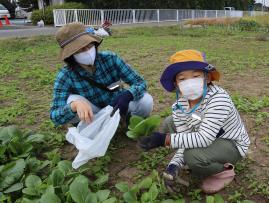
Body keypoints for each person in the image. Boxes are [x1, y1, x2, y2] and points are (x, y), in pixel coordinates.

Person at [138, 50, 250, 194]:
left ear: (207, 78)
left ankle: (223, 172)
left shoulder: (219, 98)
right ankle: (194, 159)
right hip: (207, 137)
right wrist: (173, 166)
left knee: (192, 156)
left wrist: (164, 140)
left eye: (196, 76)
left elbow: (204, 138)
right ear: (176, 84)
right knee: (170, 123)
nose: (189, 83)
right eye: (182, 79)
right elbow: (185, 139)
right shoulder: (179, 106)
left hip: (231, 142)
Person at [50, 22, 153, 126]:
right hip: (94, 114)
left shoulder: (110, 59)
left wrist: (128, 95)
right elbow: (54, 116)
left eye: (89, 45)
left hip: (117, 105)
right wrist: (74, 106)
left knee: (146, 101)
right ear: (70, 55)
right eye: (79, 50)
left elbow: (140, 82)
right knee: (72, 100)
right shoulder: (65, 76)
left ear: (94, 43)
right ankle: (93, 128)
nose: (87, 51)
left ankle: (126, 121)